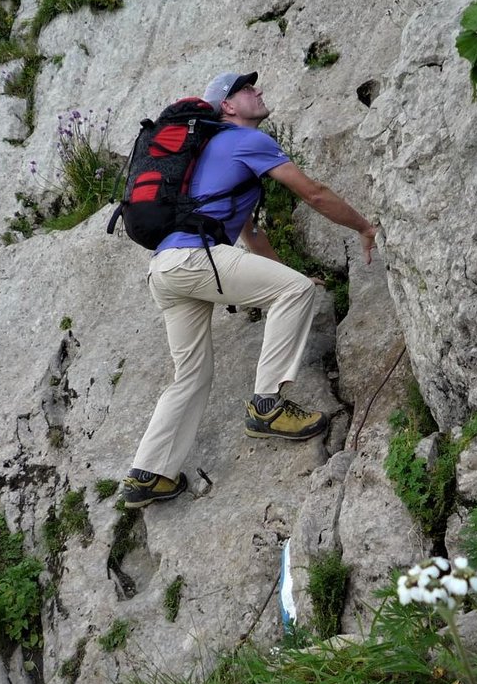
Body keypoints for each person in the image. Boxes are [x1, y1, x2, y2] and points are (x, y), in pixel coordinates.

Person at [121, 71, 378, 508]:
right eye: (245, 89)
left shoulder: (207, 155)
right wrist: (364, 226)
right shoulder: (245, 141)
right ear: (228, 107)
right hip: (195, 258)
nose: (257, 91)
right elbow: (313, 194)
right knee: (296, 293)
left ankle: (148, 474)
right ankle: (267, 407)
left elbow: (251, 234)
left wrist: (282, 272)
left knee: (191, 376)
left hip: (165, 269)